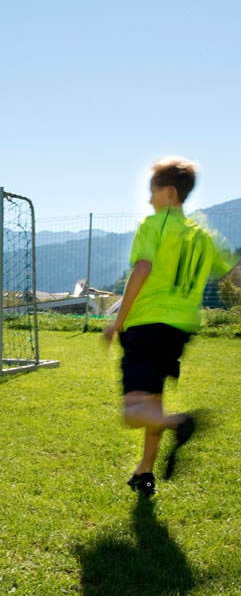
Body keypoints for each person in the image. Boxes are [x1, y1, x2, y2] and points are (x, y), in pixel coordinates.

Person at [103, 156, 237, 497]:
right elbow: (234, 270)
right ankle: (145, 472)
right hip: (180, 329)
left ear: (167, 192)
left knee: (134, 413)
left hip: (147, 323)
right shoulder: (202, 235)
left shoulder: (153, 225)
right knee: (152, 399)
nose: (148, 200)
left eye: (151, 192)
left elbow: (142, 269)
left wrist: (116, 321)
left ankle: (179, 423)